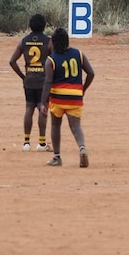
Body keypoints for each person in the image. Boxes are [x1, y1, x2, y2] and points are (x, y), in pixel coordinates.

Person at [39, 27, 94, 167]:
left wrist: (43, 102)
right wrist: (83, 89)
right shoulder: (78, 53)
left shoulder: (51, 60)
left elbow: (48, 82)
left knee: (55, 125)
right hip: (75, 96)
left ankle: (57, 157)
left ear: (54, 43)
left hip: (58, 98)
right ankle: (82, 147)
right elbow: (91, 73)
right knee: (76, 126)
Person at [9, 13, 52, 152]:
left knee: (29, 108)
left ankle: (26, 143)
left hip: (29, 80)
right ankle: (41, 143)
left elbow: (12, 61)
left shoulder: (24, 41)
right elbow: (55, 60)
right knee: (42, 108)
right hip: (43, 80)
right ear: (44, 26)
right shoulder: (48, 41)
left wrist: (23, 76)